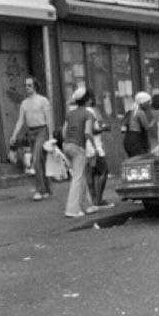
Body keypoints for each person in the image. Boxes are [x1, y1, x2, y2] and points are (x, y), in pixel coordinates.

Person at [10, 76, 54, 201]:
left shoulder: (43, 100)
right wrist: (14, 134)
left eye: (29, 85)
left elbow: (49, 118)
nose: (27, 87)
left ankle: (39, 190)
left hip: (42, 131)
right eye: (25, 85)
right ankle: (47, 189)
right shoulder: (24, 103)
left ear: (35, 86)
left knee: (35, 159)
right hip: (31, 132)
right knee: (40, 161)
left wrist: (51, 136)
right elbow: (20, 120)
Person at [62, 85, 95, 218]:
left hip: (67, 146)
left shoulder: (70, 114)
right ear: (87, 100)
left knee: (80, 175)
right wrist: (94, 146)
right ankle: (72, 210)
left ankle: (87, 206)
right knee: (77, 178)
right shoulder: (88, 114)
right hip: (78, 147)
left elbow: (64, 132)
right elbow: (87, 133)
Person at [85, 89, 113, 208]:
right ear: (89, 99)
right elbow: (92, 130)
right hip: (94, 145)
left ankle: (93, 199)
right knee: (104, 170)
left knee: (91, 172)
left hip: (86, 146)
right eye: (93, 98)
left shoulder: (80, 111)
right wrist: (104, 128)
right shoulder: (91, 111)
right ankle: (98, 200)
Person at [121, 91, 152, 157]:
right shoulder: (140, 112)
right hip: (136, 140)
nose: (149, 104)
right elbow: (146, 127)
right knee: (140, 160)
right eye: (148, 102)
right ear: (143, 102)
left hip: (127, 139)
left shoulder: (130, 111)